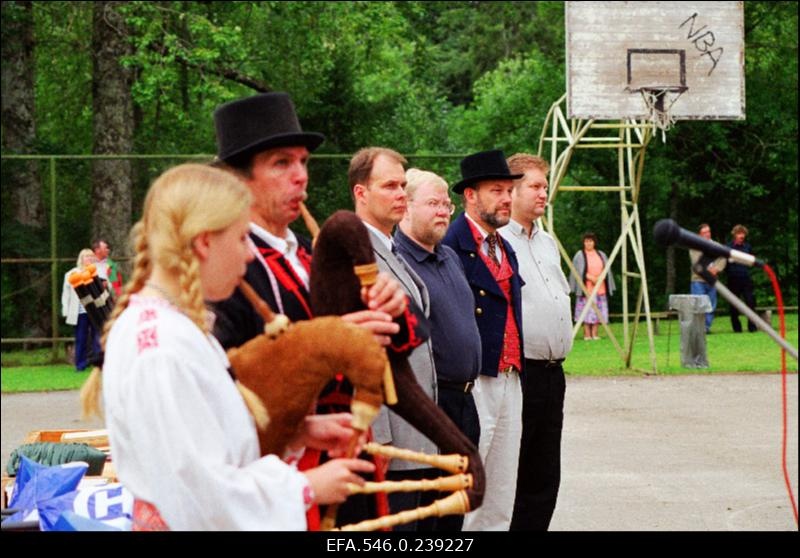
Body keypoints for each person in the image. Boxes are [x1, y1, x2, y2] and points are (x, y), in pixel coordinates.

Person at [79, 164, 374, 531]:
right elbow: (198, 494)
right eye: (240, 240)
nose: (249, 256)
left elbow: (202, 443)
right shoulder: (161, 347)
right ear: (204, 241)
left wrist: (298, 431)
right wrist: (305, 486)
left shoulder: (175, 327)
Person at [210, 92, 407, 528]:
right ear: (238, 180)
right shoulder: (224, 268)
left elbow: (400, 350)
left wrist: (394, 310)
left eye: (303, 162)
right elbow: (222, 382)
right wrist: (330, 341)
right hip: (282, 478)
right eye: (281, 163)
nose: (300, 176)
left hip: (346, 453)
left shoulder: (308, 258)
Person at [349, 147, 440, 531]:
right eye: (389, 186)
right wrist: (380, 436)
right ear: (361, 193)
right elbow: (362, 353)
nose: (401, 193)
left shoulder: (389, 248)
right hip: (390, 442)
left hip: (415, 436)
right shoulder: (356, 254)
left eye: (403, 185)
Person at [395, 168, 482, 531]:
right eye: (433, 203)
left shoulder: (450, 256)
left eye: (446, 204)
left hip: (465, 403)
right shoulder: (397, 262)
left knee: (453, 512)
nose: (444, 211)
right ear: (405, 208)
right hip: (430, 403)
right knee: (426, 513)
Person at [442, 149, 525, 531]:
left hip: (509, 375)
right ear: (470, 196)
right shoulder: (450, 246)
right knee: (469, 487)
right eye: (497, 190)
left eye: (509, 191)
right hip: (475, 382)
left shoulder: (504, 246)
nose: (506, 199)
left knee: (502, 490)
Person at [500, 153, 573, 531]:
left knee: (546, 474)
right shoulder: (498, 242)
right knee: (515, 469)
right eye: (535, 186)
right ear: (510, 190)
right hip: (520, 372)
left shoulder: (546, 242)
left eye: (545, 186)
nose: (544, 193)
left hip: (552, 372)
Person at [61, 248, 102, 372]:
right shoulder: (72, 274)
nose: (89, 259)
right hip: (80, 312)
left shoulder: (98, 273)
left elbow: (106, 288)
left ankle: (98, 364)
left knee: (97, 338)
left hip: (96, 310)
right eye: (86, 256)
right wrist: (65, 310)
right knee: (81, 338)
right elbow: (66, 294)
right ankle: (80, 365)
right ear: (81, 258)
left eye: (91, 256)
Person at [569, 232, 615, 340]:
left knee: (598, 312)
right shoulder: (579, 255)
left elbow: (606, 269)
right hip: (586, 288)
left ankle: (595, 334)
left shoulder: (601, 254)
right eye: (586, 241)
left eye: (590, 241)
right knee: (586, 312)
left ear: (594, 242)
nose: (588, 243)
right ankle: (587, 334)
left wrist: (599, 278)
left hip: (600, 288)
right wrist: (590, 277)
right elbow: (577, 270)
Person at [689, 224, 726, 334]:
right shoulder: (694, 246)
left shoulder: (716, 245)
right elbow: (696, 262)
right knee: (699, 305)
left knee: (711, 305)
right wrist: (708, 270)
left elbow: (723, 257)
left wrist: (717, 269)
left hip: (712, 280)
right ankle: (698, 327)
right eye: (704, 232)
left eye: (708, 232)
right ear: (699, 235)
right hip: (698, 280)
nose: (707, 234)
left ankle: (706, 327)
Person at [726, 224, 758, 333]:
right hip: (733, 278)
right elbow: (724, 262)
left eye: (743, 234)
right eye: (739, 233)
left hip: (745, 278)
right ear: (735, 235)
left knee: (750, 302)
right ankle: (737, 328)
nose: (741, 236)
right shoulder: (728, 247)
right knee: (734, 304)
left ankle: (752, 327)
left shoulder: (747, 247)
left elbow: (753, 261)